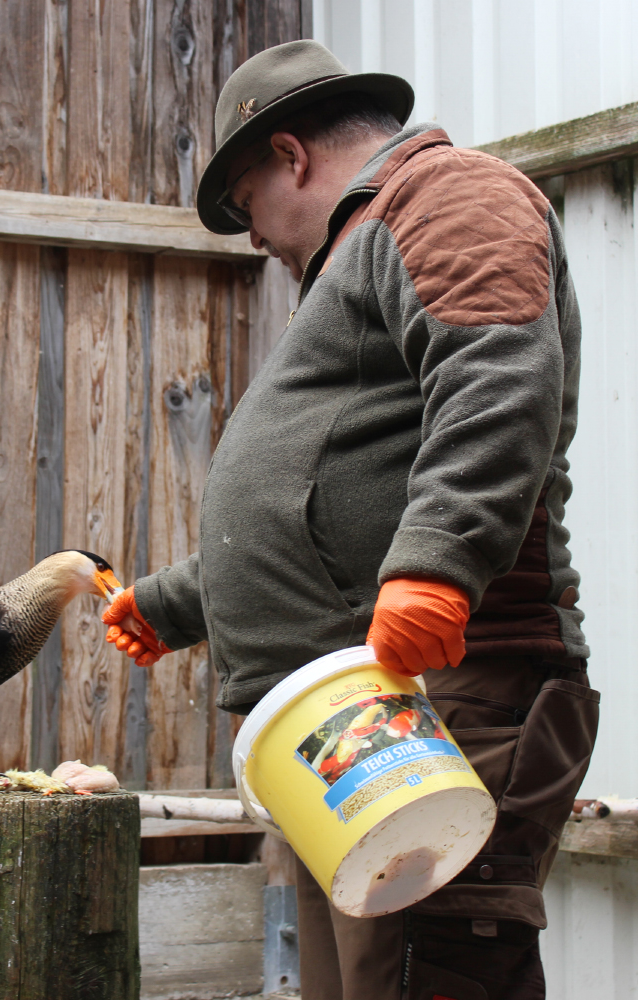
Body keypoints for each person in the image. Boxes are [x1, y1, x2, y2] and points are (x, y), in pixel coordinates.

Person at [103, 39, 599, 1000]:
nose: (253, 240)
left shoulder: (447, 195)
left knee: (429, 974)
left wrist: (440, 565)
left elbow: (497, 381)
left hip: (449, 689)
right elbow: (337, 483)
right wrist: (180, 601)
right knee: (363, 984)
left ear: (291, 155)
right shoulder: (359, 254)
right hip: (352, 714)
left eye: (247, 207)